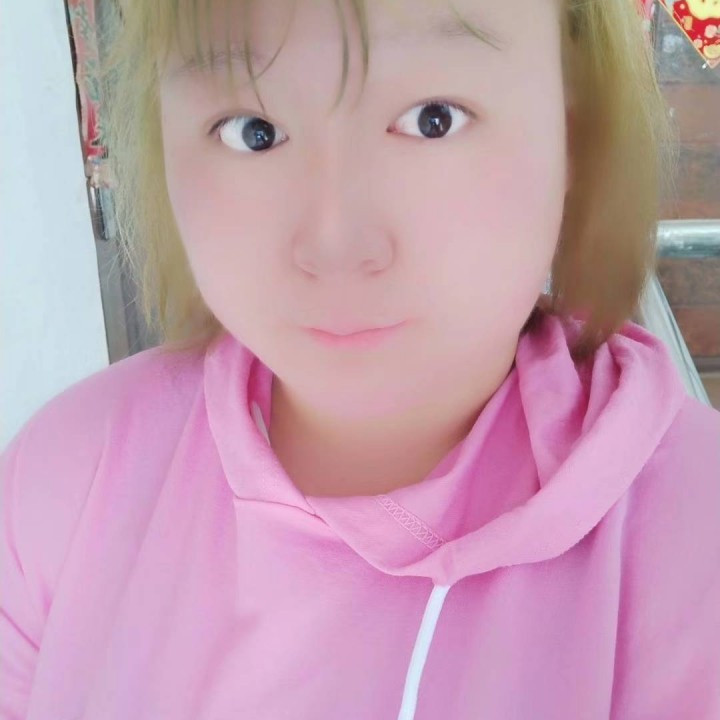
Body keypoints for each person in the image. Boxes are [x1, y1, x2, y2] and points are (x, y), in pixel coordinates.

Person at [1, 0, 719, 718]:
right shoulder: (65, 480)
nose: (335, 245)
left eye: (433, 119)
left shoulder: (693, 548)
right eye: (253, 132)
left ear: (575, 133)